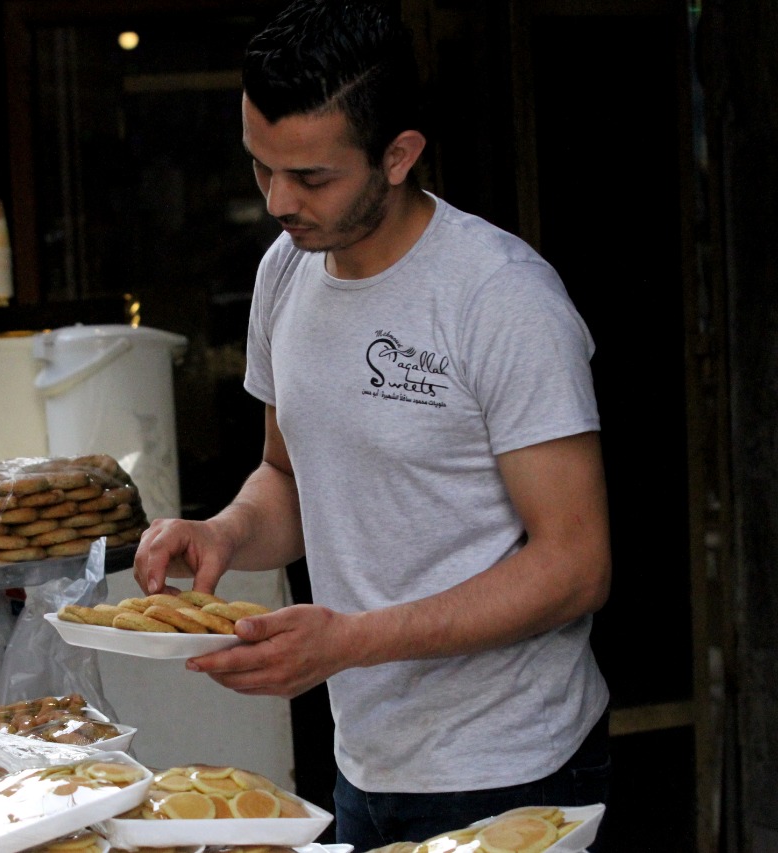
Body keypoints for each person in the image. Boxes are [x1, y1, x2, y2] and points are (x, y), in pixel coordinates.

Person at [132, 0, 613, 849]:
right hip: (362, 762)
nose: (278, 201)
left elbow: (575, 566)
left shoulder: (501, 299)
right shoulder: (286, 271)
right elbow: (286, 479)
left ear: (399, 156)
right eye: (260, 167)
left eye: (311, 178)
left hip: (511, 764)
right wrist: (224, 532)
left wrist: (351, 641)